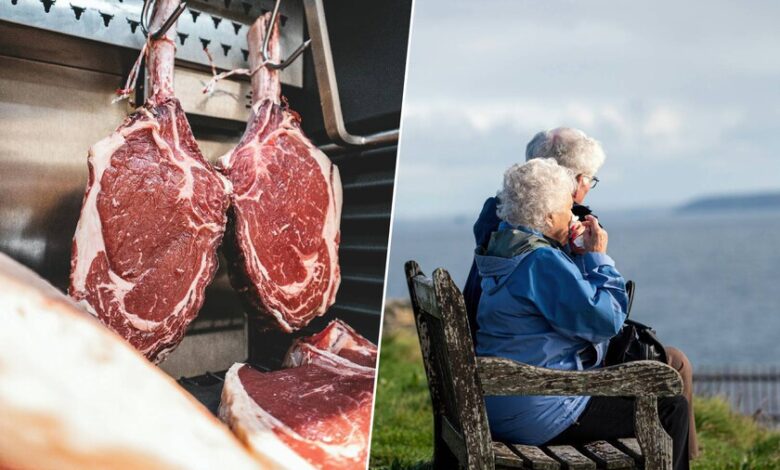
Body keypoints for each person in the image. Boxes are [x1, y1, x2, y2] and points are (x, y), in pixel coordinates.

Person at [464, 127, 699, 458]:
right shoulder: (540, 260)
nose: (571, 212)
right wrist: (597, 257)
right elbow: (606, 323)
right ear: (547, 215)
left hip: (499, 400)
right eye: (564, 207)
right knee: (670, 408)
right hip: (540, 411)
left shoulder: (501, 246)